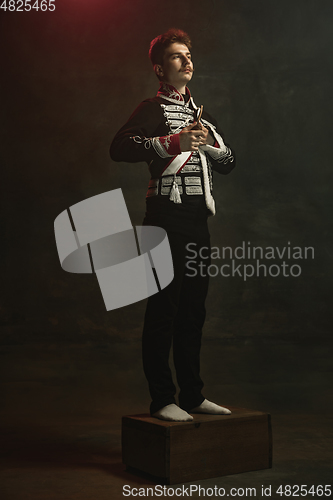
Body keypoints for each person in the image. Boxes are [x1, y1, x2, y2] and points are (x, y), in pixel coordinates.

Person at [110, 29, 236, 422]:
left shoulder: (203, 114)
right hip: (164, 219)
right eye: (176, 56)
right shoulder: (152, 109)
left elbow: (229, 162)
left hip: (198, 221)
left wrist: (206, 142)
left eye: (188, 55)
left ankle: (193, 395)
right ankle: (163, 398)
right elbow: (120, 147)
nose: (186, 61)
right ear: (159, 68)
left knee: (193, 310)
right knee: (164, 308)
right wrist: (175, 142)